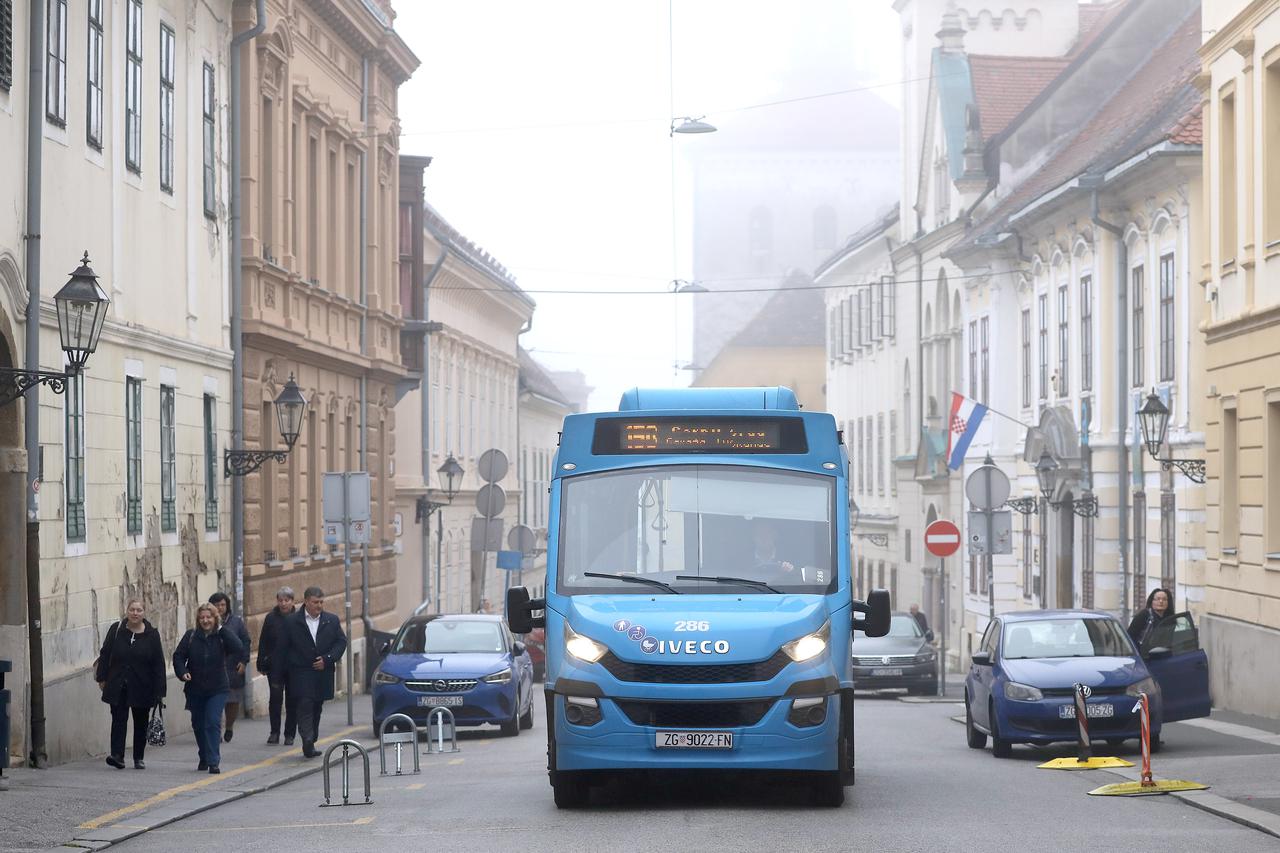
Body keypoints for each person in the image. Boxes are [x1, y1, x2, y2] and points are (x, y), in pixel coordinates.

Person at [272, 586, 347, 758]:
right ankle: (307, 738)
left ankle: (311, 739)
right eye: (315, 602)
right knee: (304, 704)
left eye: (321, 602)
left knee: (316, 707)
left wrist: (328, 658)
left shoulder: (331, 620)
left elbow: (341, 642)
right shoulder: (291, 622)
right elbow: (281, 649)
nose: (319, 606)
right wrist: (276, 676)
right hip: (300, 672)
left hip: (322, 673)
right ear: (306, 602)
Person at [173, 603, 246, 774]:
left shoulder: (221, 636)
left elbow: (238, 647)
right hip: (195, 688)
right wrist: (183, 672)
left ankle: (214, 761)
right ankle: (204, 756)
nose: (205, 621)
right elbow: (178, 656)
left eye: (209, 617)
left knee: (212, 722)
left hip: (217, 688)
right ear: (198, 620)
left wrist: (221, 629)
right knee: (198, 724)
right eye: (202, 617)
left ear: (215, 619)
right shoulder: (191, 636)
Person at [95, 599, 167, 770]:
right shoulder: (117, 630)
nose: (135, 613)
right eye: (132, 609)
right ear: (127, 611)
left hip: (142, 685)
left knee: (140, 721)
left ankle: (138, 757)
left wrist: (160, 691)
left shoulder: (152, 634)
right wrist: (102, 677)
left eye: (139, 610)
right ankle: (117, 755)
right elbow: (105, 654)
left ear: (144, 613)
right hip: (118, 684)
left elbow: (158, 663)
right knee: (118, 719)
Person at [256, 586, 298, 745]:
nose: (283, 603)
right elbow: (263, 641)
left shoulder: (299, 618)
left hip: (294, 666)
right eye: (280, 600)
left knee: (292, 700)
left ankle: (290, 734)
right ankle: (274, 732)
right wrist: (261, 661)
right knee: (275, 699)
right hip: (275, 666)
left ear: (292, 601)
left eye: (286, 600)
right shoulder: (271, 618)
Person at [208, 592, 251, 742]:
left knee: (232, 701)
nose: (220, 608)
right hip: (216, 669)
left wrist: (244, 661)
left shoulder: (236, 622)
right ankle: (216, 731)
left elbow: (245, 642)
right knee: (217, 702)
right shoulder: (207, 622)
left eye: (223, 605)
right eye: (217, 605)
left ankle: (229, 726)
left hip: (234, 667)